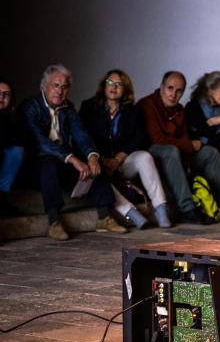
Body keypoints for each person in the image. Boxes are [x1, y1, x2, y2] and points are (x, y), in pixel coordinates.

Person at [21, 64, 127, 240]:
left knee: (95, 160)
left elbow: (81, 135)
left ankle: (104, 217)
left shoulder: (68, 108)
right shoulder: (30, 106)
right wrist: (71, 158)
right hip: (35, 166)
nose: (60, 91)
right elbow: (38, 142)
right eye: (56, 85)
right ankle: (54, 222)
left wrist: (92, 156)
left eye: (65, 87)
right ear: (44, 86)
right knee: (48, 161)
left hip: (62, 162)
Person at [138, 71, 220, 223]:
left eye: (179, 91)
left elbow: (185, 139)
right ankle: (187, 209)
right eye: (170, 88)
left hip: (177, 153)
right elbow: (158, 139)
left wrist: (188, 155)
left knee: (210, 153)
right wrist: (188, 146)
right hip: (153, 152)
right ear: (161, 87)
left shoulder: (180, 110)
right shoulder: (147, 104)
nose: (173, 94)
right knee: (171, 150)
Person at [79, 70, 171, 229]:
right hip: (99, 161)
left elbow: (139, 138)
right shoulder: (89, 107)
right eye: (110, 82)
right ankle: (132, 213)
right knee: (98, 174)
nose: (113, 87)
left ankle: (161, 209)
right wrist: (101, 158)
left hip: (122, 161)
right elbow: (83, 137)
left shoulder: (132, 110)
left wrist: (118, 159)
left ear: (125, 90)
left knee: (145, 157)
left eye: (119, 84)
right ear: (104, 85)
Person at [0, 79, 26, 217]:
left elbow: (19, 140)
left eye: (6, 94)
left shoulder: (14, 119)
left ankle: (2, 198)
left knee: (17, 150)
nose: (1, 97)